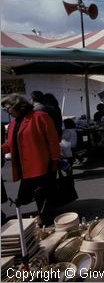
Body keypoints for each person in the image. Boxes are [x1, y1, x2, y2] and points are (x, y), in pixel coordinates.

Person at [1, 94, 60, 226]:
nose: (7, 111)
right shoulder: (12, 124)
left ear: (17, 105)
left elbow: (53, 140)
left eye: (7, 108)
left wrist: (55, 160)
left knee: (42, 195)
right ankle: (43, 219)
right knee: (31, 195)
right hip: (24, 167)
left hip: (41, 164)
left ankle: (47, 222)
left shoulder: (39, 117)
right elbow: (11, 144)